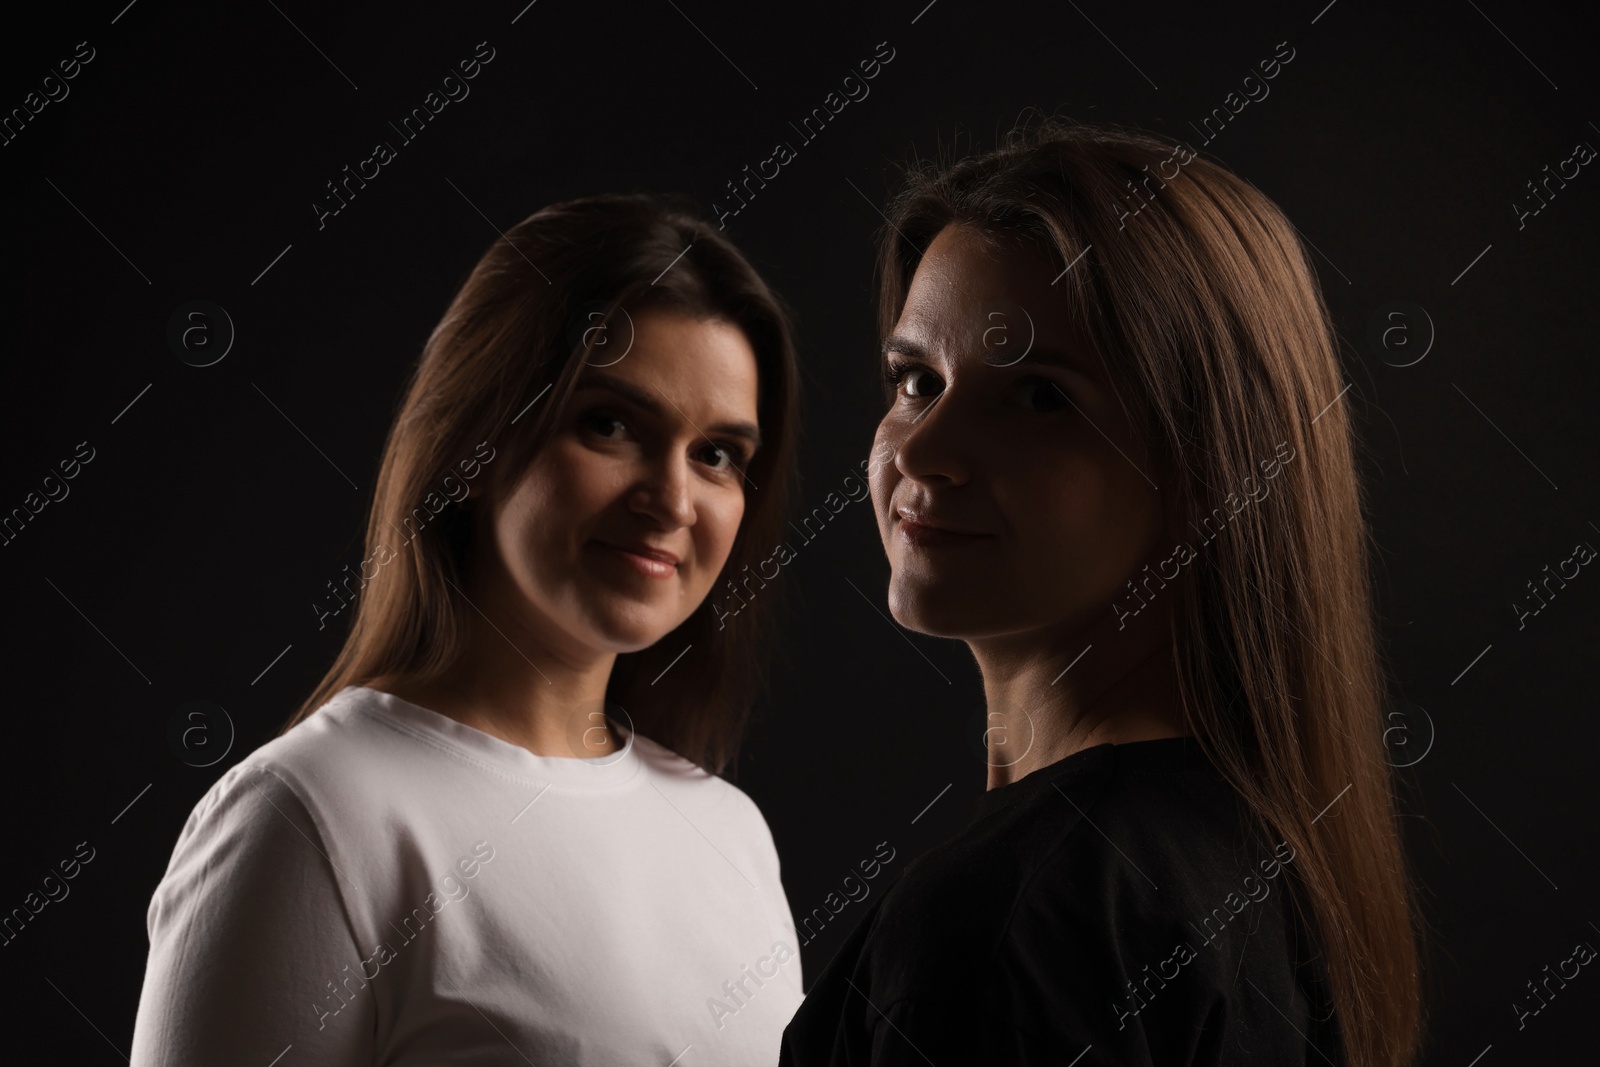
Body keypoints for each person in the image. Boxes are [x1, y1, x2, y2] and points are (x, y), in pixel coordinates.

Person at [779, 118, 1426, 1066]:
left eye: (1039, 395)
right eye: (916, 380)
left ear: (1208, 467)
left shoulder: (1015, 915)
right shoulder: (1262, 859)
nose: (918, 449)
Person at [130, 192, 807, 1066]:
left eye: (717, 454)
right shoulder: (311, 819)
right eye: (609, 423)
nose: (672, 500)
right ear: (477, 439)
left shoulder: (729, 832)